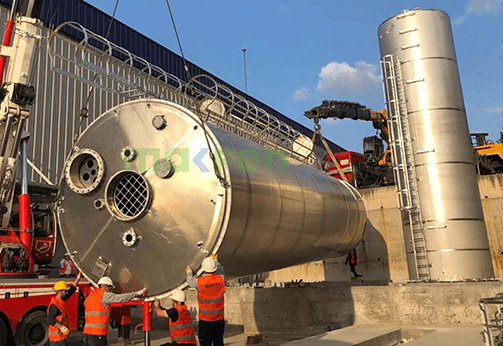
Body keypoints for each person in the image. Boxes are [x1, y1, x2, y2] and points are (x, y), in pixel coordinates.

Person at [83, 276, 147, 346]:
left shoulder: (90, 297)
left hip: (87, 333)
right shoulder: (104, 296)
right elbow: (120, 298)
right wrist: (136, 293)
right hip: (98, 333)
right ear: (105, 287)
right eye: (110, 289)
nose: (110, 291)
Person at [186, 255, 226, 346]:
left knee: (205, 343)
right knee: (218, 342)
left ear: (203, 268)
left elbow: (190, 282)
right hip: (219, 319)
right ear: (214, 269)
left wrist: (189, 272)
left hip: (205, 321)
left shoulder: (200, 282)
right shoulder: (221, 279)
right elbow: (222, 272)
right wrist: (216, 262)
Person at [47, 271, 82, 346]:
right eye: (64, 291)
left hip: (60, 337)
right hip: (57, 339)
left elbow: (71, 290)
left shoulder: (61, 300)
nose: (66, 292)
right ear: (60, 291)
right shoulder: (55, 304)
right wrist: (62, 327)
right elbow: (50, 320)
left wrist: (78, 278)